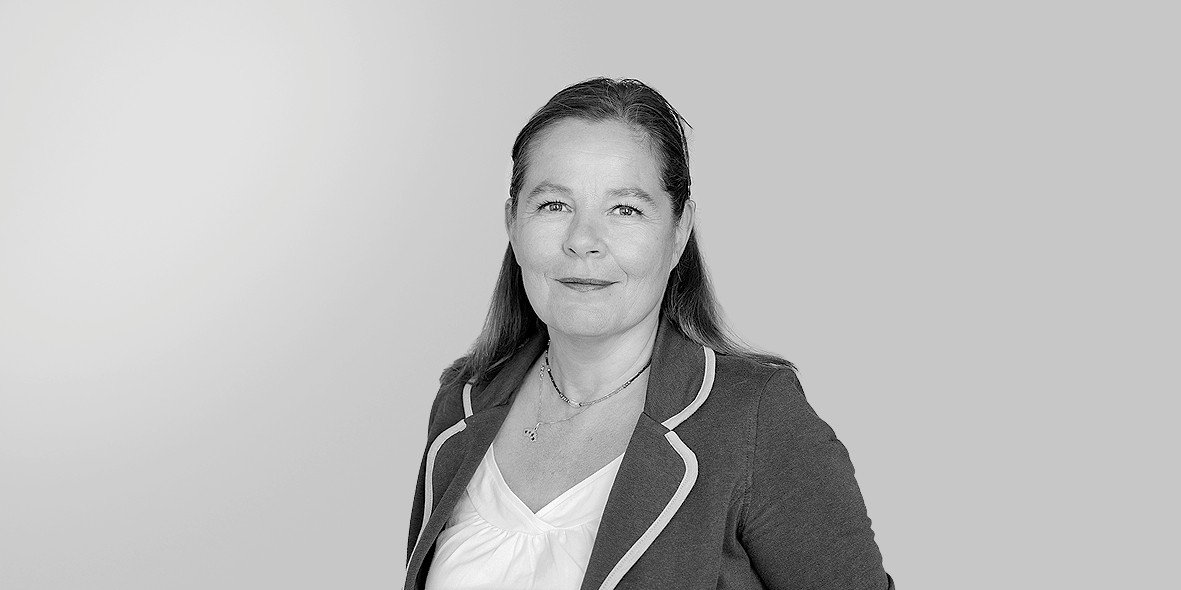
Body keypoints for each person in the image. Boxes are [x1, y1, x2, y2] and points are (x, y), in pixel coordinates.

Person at [406, 78, 892, 590]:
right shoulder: (463, 401)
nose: (583, 242)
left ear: (678, 231)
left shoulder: (755, 417)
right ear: (512, 221)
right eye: (553, 205)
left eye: (625, 210)